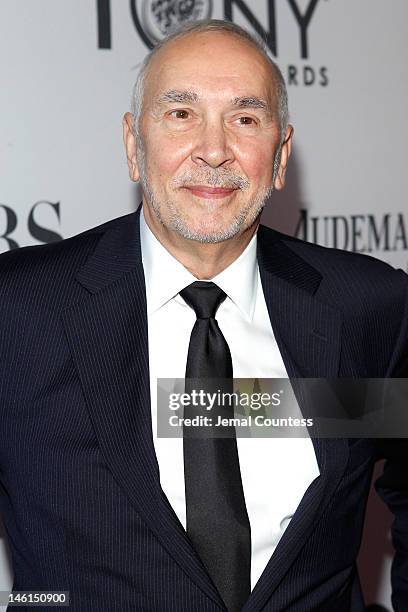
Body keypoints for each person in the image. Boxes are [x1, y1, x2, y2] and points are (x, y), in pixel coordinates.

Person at [0, 18, 407, 612]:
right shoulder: (19, 311)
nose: (214, 151)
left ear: (280, 154)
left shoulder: (365, 308)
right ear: (134, 146)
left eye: (245, 118)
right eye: (181, 113)